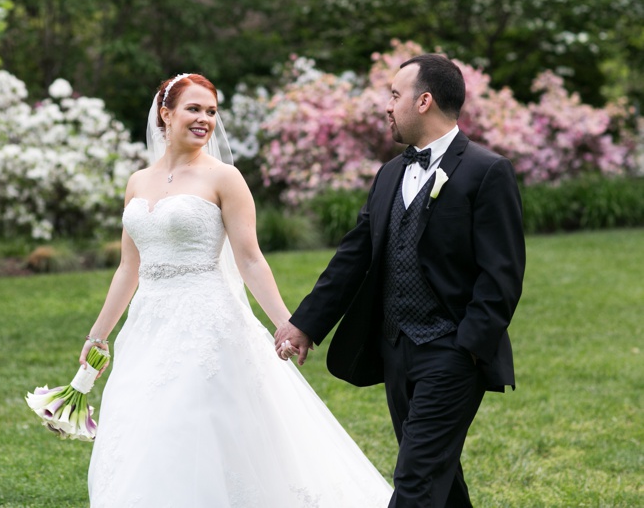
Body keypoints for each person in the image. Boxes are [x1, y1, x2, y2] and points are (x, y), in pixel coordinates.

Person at [82, 73, 393, 507]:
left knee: (188, 425)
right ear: (165, 114)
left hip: (205, 325)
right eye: (194, 109)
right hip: (148, 328)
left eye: (211, 111)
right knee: (142, 428)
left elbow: (250, 259)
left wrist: (286, 322)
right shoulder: (137, 182)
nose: (205, 119)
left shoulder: (224, 178)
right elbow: (128, 268)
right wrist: (98, 336)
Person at [275, 53, 525, 508]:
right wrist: (305, 323)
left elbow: (502, 275)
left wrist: (467, 346)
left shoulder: (486, 172)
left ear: (424, 100)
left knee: (415, 482)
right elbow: (354, 256)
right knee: (439, 483)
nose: (387, 106)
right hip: (395, 351)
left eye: (394, 95)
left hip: (451, 353)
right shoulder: (391, 173)